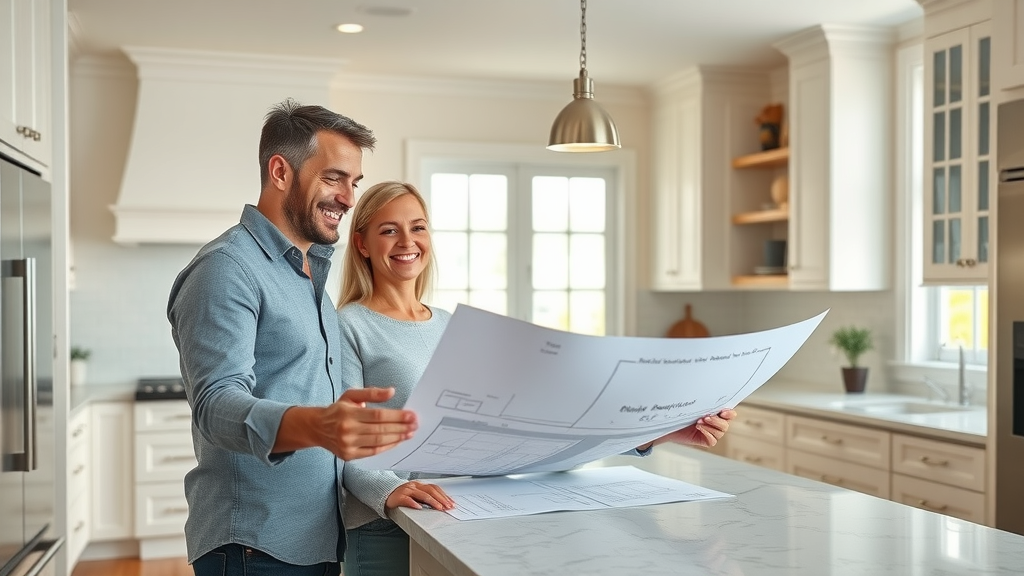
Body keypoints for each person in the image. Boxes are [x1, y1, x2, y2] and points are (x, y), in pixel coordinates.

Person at [335, 181, 737, 576]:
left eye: (418, 227)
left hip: (462, 521)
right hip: (387, 527)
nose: (408, 241)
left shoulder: (451, 324)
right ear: (363, 244)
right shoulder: (348, 326)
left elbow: (518, 433)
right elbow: (340, 441)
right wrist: (387, 492)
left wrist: (655, 433)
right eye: (389, 230)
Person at [167, 100, 418, 576]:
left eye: (353, 183)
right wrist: (315, 425)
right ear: (280, 171)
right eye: (333, 178)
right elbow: (216, 406)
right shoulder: (227, 269)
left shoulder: (310, 277)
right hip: (253, 547)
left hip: (313, 539)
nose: (347, 197)